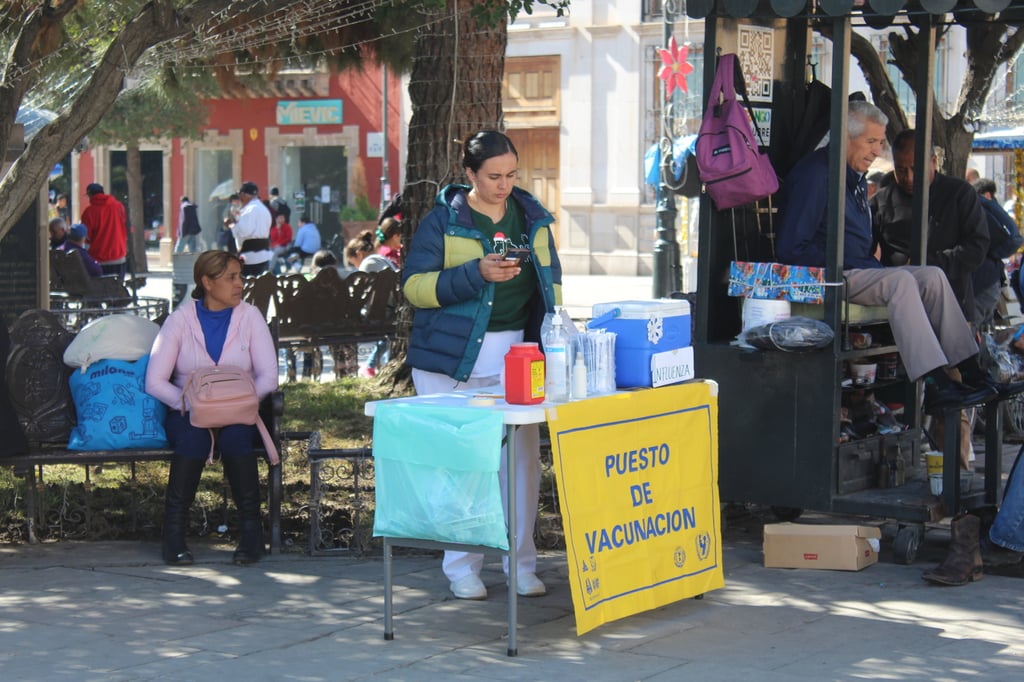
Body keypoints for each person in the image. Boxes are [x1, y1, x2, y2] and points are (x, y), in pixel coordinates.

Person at [403, 130, 562, 600]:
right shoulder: (442, 222)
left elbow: (550, 285)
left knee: (521, 464)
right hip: (450, 360)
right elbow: (414, 288)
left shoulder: (532, 219)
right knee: (462, 467)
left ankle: (521, 564)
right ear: (469, 174)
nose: (504, 184)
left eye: (512, 174)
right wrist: (477, 274)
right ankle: (462, 568)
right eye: (493, 176)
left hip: (518, 354)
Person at [776, 101, 1000, 412]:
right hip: (830, 276)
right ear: (844, 137)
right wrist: (850, 261)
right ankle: (934, 383)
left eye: (880, 142)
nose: (877, 151)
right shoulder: (817, 174)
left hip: (857, 269)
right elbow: (790, 247)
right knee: (900, 282)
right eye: (870, 141)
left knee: (931, 276)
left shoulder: (851, 175)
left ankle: (971, 370)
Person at [145, 250, 279, 566]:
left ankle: (251, 534)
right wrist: (192, 405)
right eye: (231, 277)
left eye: (240, 276)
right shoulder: (180, 321)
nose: (240, 284)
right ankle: (173, 536)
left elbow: (268, 376)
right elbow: (155, 381)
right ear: (207, 282)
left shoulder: (250, 317)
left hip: (240, 412)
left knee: (235, 438)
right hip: (189, 413)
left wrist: (240, 406)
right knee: (193, 439)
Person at [871, 129, 990, 325]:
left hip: (953, 304)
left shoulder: (959, 194)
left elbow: (976, 249)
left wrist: (925, 264)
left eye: (916, 169)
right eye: (901, 170)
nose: (909, 178)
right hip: (898, 309)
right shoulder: (882, 201)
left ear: (933, 162)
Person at [346, 230, 398, 377]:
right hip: (392, 310)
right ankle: (370, 364)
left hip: (381, 312)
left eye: (353, 262)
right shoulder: (381, 259)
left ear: (359, 254)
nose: (355, 267)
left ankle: (352, 366)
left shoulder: (367, 264)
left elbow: (361, 296)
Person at [972, 177, 1022, 327]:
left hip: (980, 283)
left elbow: (1014, 239)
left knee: (971, 339)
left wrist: (992, 254)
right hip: (989, 281)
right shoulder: (988, 209)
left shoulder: (980, 209)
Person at [80, 182, 128, 279]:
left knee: (100, 292)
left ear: (90, 195)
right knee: (118, 290)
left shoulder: (89, 212)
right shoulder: (119, 206)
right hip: (119, 256)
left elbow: (86, 236)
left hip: (98, 259)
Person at [232, 181, 273, 276]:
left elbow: (244, 231)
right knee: (261, 286)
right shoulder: (264, 209)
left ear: (244, 195)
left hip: (250, 257)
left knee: (247, 287)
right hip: (264, 254)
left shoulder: (249, 210)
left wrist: (233, 226)